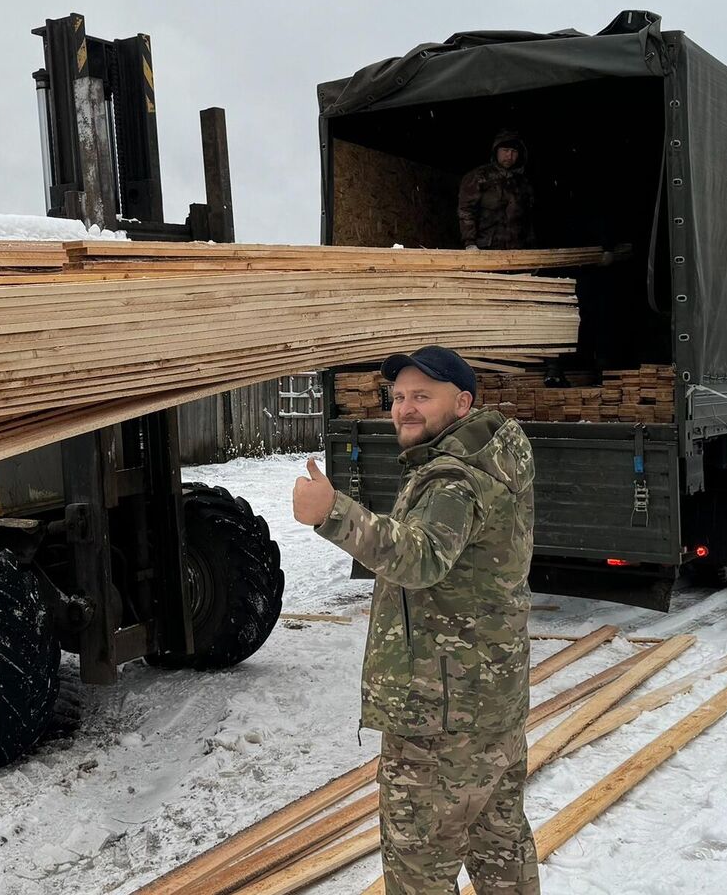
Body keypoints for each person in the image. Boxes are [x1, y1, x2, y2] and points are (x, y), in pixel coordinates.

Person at [291, 345, 538, 894]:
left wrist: (331, 512)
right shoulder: (494, 455)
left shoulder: (453, 479)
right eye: (398, 397)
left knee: (417, 870)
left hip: (439, 719)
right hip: (490, 704)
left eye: (422, 396)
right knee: (500, 845)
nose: (404, 408)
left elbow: (421, 557)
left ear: (462, 403)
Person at [458, 130, 535, 251]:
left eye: (514, 152)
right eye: (505, 150)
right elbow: (466, 211)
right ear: (496, 151)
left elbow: (528, 220)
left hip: (517, 250)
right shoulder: (479, 177)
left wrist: (531, 249)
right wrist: (470, 243)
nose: (509, 156)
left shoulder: (523, 184)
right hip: (486, 248)